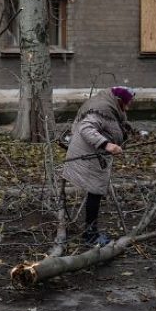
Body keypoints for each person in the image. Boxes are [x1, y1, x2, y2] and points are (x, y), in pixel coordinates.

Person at [62, 86, 135, 246]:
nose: (129, 107)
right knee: (95, 192)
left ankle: (90, 231)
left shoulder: (110, 108)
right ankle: (90, 235)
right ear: (119, 101)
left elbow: (113, 123)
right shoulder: (100, 110)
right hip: (90, 156)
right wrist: (107, 145)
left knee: (95, 192)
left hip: (96, 156)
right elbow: (86, 128)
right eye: (127, 103)